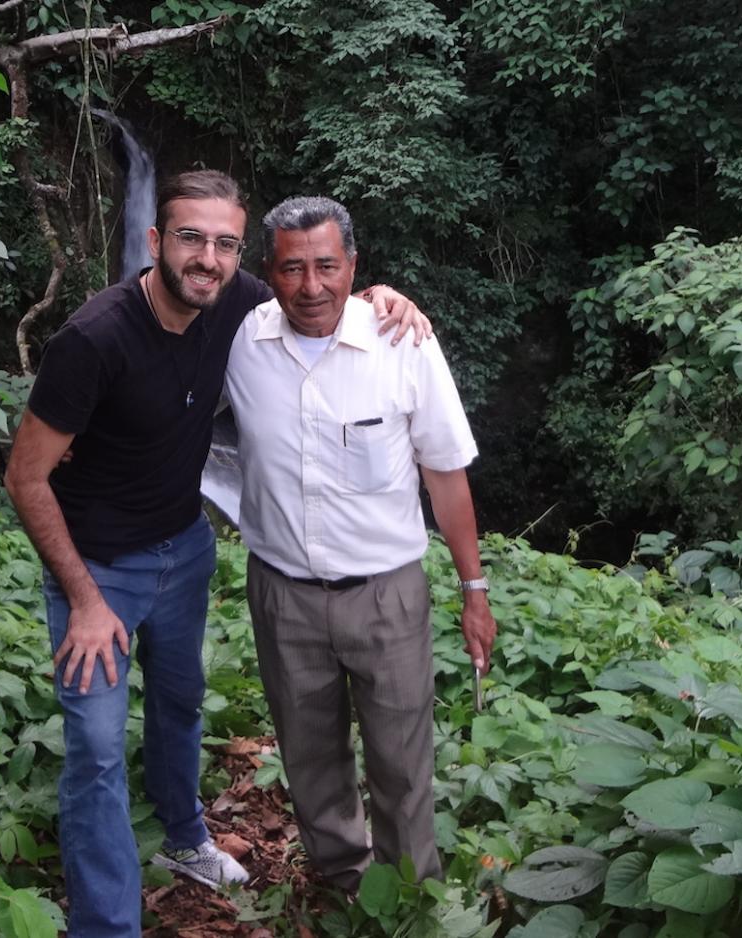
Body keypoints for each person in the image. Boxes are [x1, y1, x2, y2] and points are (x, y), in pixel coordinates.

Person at [3, 170, 427, 938]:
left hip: (187, 551)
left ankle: (185, 837)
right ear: (155, 241)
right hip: (98, 569)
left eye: (226, 244)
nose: (209, 258)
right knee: (96, 747)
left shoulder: (236, 301)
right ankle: (106, 925)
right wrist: (88, 602)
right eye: (192, 239)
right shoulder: (92, 341)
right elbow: (25, 475)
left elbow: (315, 292)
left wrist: (382, 299)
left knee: (180, 703)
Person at [223, 195, 497, 891]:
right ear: (268, 271)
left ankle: (407, 893)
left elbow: (445, 473)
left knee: (402, 763)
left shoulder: (402, 341)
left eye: (326, 266)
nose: (310, 286)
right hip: (283, 593)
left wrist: (474, 591)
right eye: (292, 269)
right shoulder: (240, 339)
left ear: (354, 267)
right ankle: (345, 883)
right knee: (310, 758)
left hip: (387, 596)